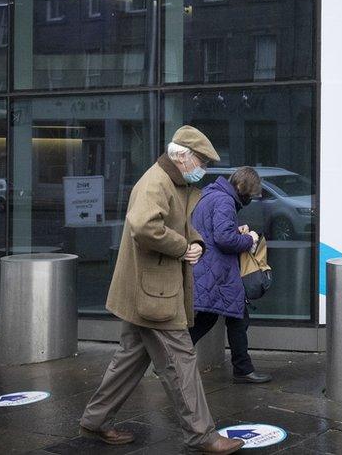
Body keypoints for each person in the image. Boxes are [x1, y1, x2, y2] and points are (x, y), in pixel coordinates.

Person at [78, 126, 243, 455]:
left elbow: (178, 224)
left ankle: (94, 421)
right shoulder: (157, 182)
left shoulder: (173, 181)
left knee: (129, 359)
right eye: (201, 161)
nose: (204, 169)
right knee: (180, 361)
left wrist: (193, 241)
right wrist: (183, 247)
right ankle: (202, 435)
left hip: (150, 290)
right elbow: (144, 226)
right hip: (154, 294)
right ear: (182, 156)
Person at [189, 166, 270, 384]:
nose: (250, 199)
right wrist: (250, 239)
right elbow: (224, 240)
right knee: (235, 318)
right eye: (250, 194)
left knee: (212, 317)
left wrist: (236, 230)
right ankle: (242, 369)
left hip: (210, 269)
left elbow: (213, 231)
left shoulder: (210, 194)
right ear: (242, 188)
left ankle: (173, 357)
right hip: (218, 271)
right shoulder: (224, 201)